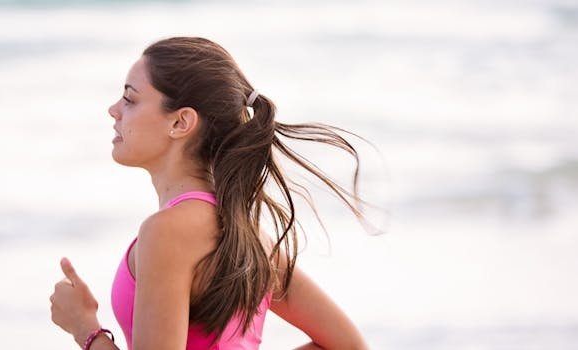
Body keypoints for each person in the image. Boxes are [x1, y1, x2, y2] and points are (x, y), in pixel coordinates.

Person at [49, 36, 370, 350]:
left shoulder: (167, 232)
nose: (113, 109)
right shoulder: (250, 236)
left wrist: (84, 328)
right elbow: (350, 345)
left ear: (180, 122)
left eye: (130, 99)